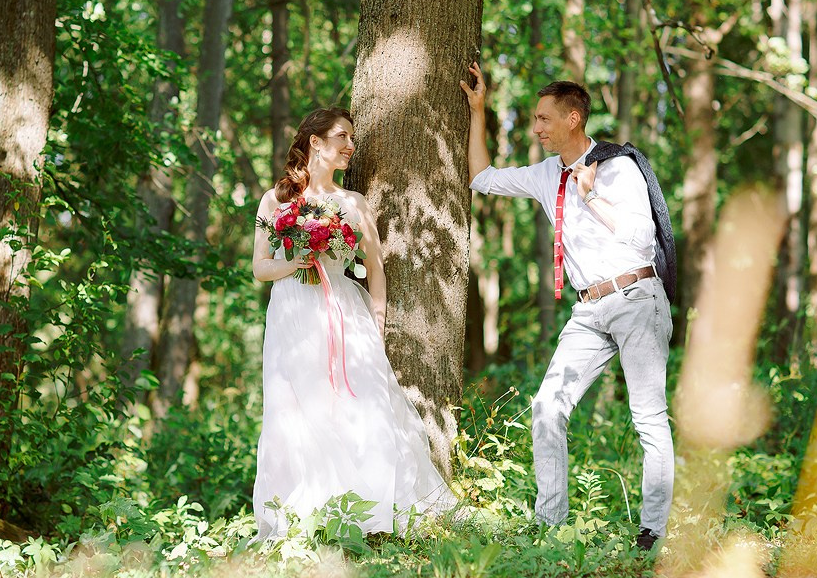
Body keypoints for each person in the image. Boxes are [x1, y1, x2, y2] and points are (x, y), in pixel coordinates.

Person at [461, 63, 675, 551]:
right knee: (546, 407)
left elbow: (642, 237)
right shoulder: (545, 174)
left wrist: (590, 195)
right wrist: (478, 111)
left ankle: (652, 533)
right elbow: (481, 178)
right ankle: (549, 525)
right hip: (588, 311)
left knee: (648, 417)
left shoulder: (618, 167)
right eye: (535, 120)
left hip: (636, 298)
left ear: (573, 118)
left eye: (543, 120)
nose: (536, 129)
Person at [251, 108, 455, 541]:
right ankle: (302, 516)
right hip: (292, 314)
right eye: (342, 137)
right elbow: (260, 268)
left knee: (357, 408)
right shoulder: (276, 200)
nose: (350, 146)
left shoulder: (354, 204)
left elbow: (375, 269)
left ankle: (370, 514)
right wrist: (297, 259)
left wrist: (376, 325)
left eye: (352, 139)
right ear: (315, 143)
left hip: (344, 311)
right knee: (296, 411)